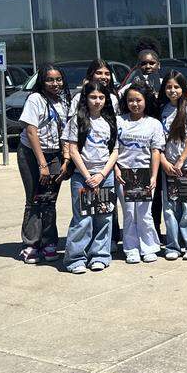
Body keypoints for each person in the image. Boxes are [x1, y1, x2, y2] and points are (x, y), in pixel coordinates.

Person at [62, 80, 119, 273]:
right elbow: (73, 150)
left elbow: (115, 150)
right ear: (85, 99)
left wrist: (102, 174)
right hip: (82, 176)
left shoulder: (111, 121)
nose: (97, 101)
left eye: (101, 97)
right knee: (83, 219)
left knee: (104, 217)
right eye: (93, 97)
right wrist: (88, 176)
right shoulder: (76, 121)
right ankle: (75, 259)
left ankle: (100, 256)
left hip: (105, 176)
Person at [17, 64, 69, 265]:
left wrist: (65, 158)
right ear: (42, 81)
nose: (55, 84)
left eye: (58, 79)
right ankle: (31, 244)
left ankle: (49, 243)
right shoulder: (35, 99)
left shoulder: (64, 100)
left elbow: (66, 130)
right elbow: (31, 131)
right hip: (32, 154)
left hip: (54, 153)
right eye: (50, 80)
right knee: (34, 199)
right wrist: (42, 164)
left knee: (49, 200)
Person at [116, 84, 166, 263]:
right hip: (124, 174)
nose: (134, 104)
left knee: (144, 213)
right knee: (129, 213)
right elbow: (112, 149)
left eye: (138, 100)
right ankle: (131, 248)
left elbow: (155, 151)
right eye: (130, 100)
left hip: (144, 174)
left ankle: (149, 247)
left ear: (146, 101)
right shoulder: (118, 121)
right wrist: (116, 169)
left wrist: (154, 176)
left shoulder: (154, 124)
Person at [159, 71, 187, 261]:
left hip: (186, 166)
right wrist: (165, 163)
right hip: (168, 167)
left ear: (183, 89)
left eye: (176, 87)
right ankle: (173, 245)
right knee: (169, 208)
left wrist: (180, 161)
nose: (172, 90)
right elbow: (158, 141)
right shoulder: (163, 110)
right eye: (169, 87)